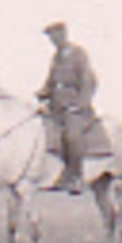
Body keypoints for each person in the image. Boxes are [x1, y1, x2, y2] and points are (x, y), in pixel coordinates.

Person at [37, 20, 98, 194]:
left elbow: (89, 81)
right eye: (50, 37)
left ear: (64, 34)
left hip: (73, 106)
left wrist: (79, 105)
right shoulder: (56, 57)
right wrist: (43, 92)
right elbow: (51, 82)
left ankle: (75, 177)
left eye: (55, 36)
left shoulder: (79, 54)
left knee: (71, 136)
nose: (53, 40)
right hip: (55, 105)